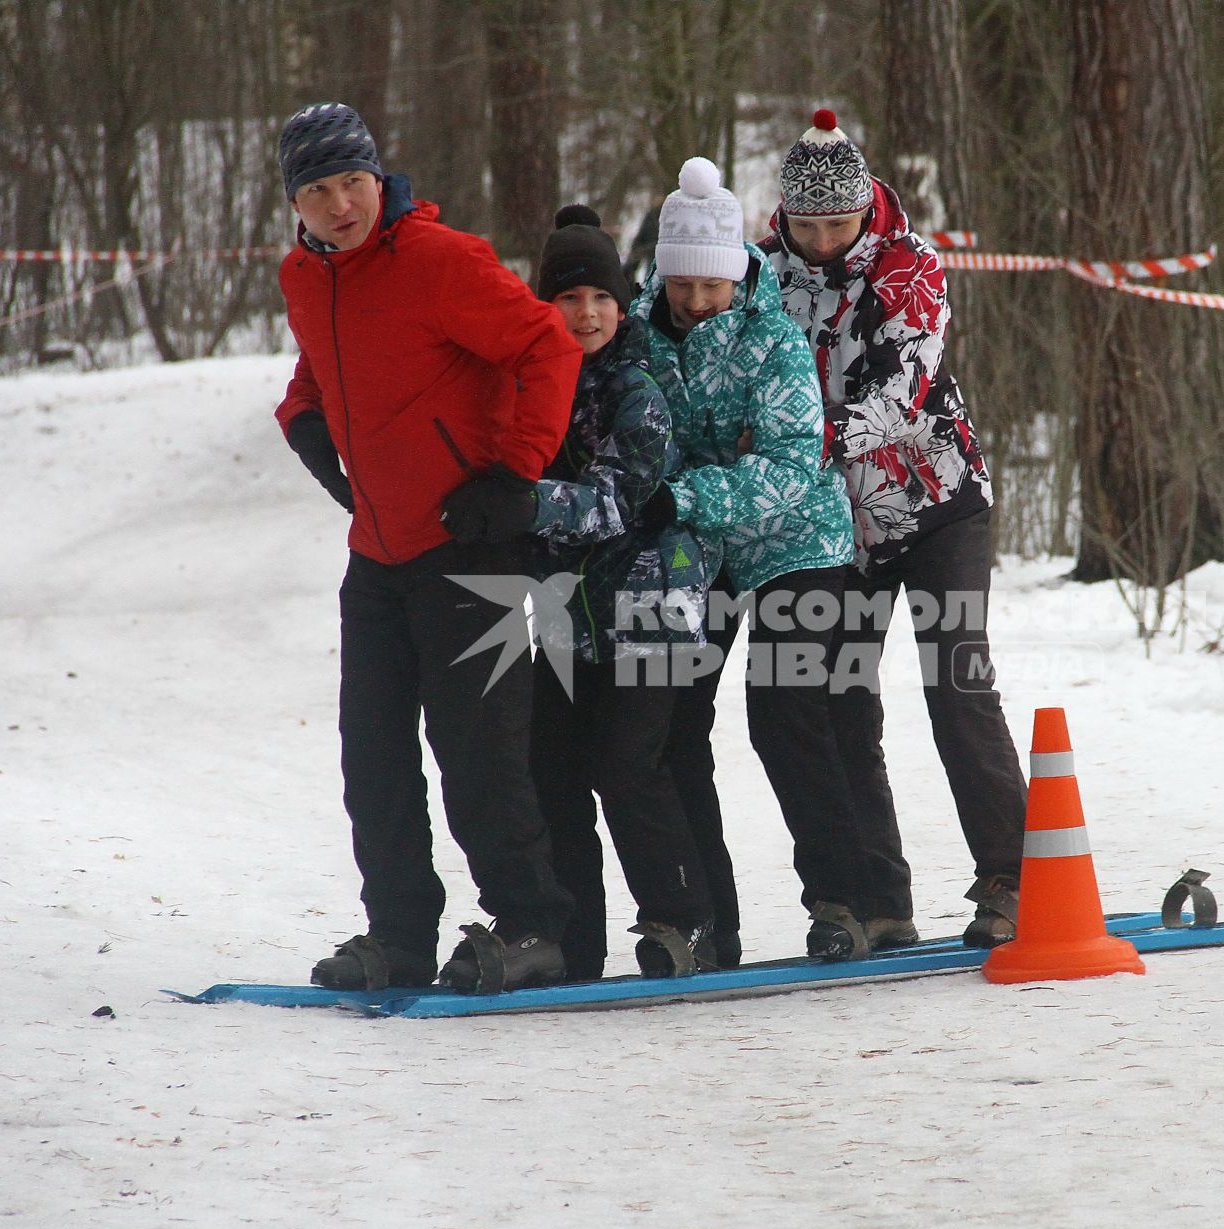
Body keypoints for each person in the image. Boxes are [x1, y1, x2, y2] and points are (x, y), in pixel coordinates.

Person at [271, 101, 581, 994]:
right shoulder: (306, 276)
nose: (340, 205)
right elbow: (319, 362)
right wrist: (300, 416)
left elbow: (547, 348)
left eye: (353, 183)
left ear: (381, 178)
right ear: (297, 202)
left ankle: (530, 929)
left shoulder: (442, 261)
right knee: (371, 757)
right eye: (319, 190)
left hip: (470, 546)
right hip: (377, 554)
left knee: (478, 754)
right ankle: (399, 935)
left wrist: (515, 475)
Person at [761, 109, 1027, 948]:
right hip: (837, 528)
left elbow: (900, 392)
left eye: (837, 223)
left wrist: (803, 440)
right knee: (840, 702)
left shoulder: (911, 267)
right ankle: (878, 898)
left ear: (864, 209)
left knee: (958, 687)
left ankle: (1014, 878)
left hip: (938, 505)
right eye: (806, 226)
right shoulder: (763, 275)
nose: (824, 241)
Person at [636, 157, 901, 962]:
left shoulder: (775, 340)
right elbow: (647, 447)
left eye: (712, 286)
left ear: (737, 277)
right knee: (669, 720)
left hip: (798, 538)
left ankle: (843, 899)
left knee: (785, 707)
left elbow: (788, 468)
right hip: (702, 551)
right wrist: (681, 495)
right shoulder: (644, 340)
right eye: (682, 284)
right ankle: (703, 920)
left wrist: (683, 494)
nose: (697, 301)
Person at [524, 203, 719, 979]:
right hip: (572, 612)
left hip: (654, 601)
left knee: (630, 763)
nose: (587, 314)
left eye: (601, 298)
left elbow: (613, 501)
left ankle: (688, 924)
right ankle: (572, 943)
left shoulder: (639, 387)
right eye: (569, 299)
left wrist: (517, 502)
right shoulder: (533, 384)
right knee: (554, 767)